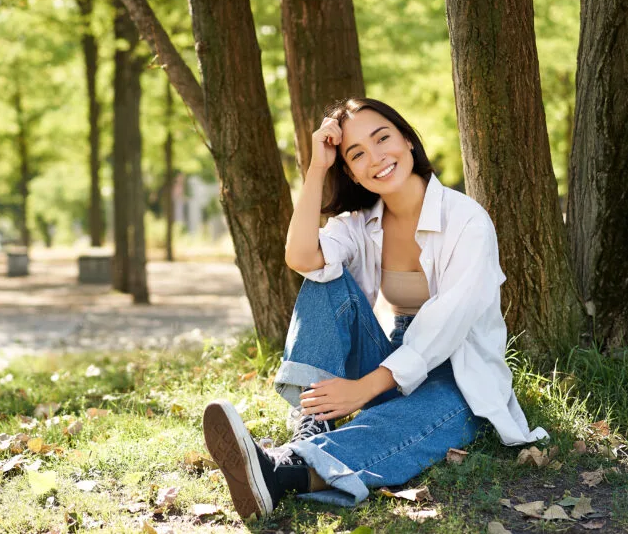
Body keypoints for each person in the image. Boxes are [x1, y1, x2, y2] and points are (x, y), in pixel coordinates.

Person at [202, 98, 548, 518]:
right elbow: (301, 257)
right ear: (349, 171)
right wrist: (316, 168)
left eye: (382, 138)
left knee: (407, 426)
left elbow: (445, 326)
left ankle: (281, 473)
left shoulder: (467, 220)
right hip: (392, 357)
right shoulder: (359, 222)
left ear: (406, 138)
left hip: (460, 374)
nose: (376, 157)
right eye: (357, 154)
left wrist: (364, 388)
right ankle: (314, 418)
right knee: (324, 277)